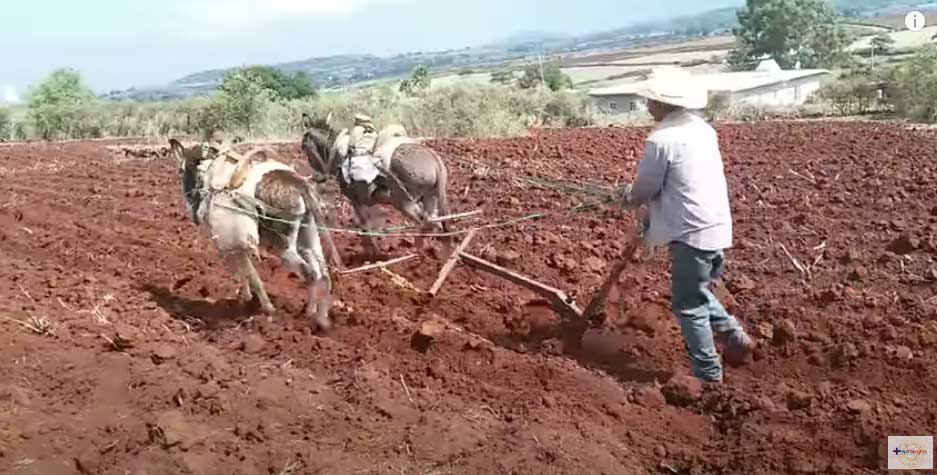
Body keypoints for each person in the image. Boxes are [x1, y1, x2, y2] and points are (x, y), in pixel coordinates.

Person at [621, 67, 756, 384]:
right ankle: (735, 338)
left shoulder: (662, 139)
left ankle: (709, 377)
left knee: (688, 305)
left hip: (690, 231)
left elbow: (646, 189)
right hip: (716, 226)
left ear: (661, 103)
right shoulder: (703, 130)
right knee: (697, 291)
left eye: (649, 101)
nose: (646, 106)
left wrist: (627, 199)